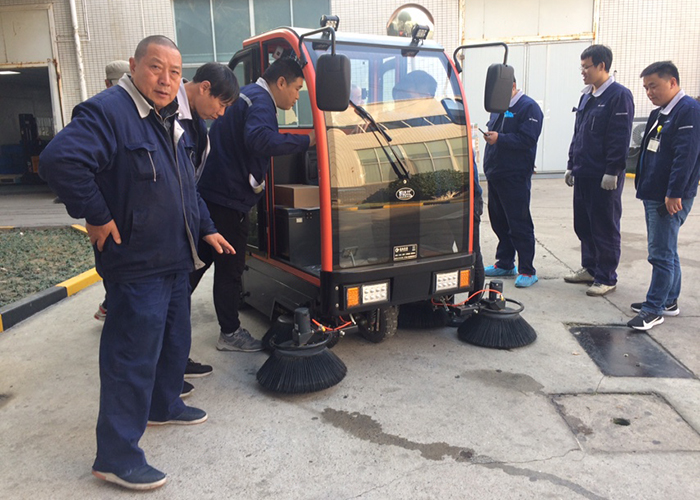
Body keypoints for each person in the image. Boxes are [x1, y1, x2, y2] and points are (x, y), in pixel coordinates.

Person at [39, 35, 234, 491]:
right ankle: (117, 456)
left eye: (174, 72)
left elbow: (185, 186)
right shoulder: (110, 112)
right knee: (130, 356)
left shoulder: (167, 119)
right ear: (134, 65)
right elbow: (59, 160)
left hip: (173, 257)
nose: (165, 80)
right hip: (137, 261)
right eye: (155, 68)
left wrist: (206, 227)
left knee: (173, 339)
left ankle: (163, 404)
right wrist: (96, 213)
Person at [191, 57, 315, 352]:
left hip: (212, 194)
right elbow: (260, 140)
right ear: (281, 82)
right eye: (297, 88)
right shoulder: (261, 101)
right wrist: (307, 141)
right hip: (228, 199)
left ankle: (162, 320)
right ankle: (230, 333)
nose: (297, 97)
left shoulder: (247, 94)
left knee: (197, 264)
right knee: (230, 269)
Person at [628, 61, 700, 331]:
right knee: (667, 249)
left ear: (672, 82)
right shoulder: (661, 112)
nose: (649, 92)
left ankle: (653, 309)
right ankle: (669, 301)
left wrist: (674, 192)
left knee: (660, 254)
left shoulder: (688, 111)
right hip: (654, 191)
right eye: (646, 87)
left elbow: (686, 156)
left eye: (654, 86)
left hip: (668, 196)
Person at [564, 45, 634, 296]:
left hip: (602, 175)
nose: (583, 72)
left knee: (604, 226)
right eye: (581, 67)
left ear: (602, 66)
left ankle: (606, 276)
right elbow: (578, 133)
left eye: (587, 67)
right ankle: (591, 268)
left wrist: (613, 170)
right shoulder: (587, 96)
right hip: (583, 171)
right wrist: (571, 164)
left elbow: (619, 136)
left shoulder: (618, 96)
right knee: (583, 224)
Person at [482, 77, 543, 288]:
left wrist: (500, 138)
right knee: (499, 222)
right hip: (496, 173)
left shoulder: (529, 108)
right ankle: (505, 262)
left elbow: (528, 139)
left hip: (514, 175)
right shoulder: (498, 108)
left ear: (513, 86)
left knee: (519, 223)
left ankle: (527, 270)